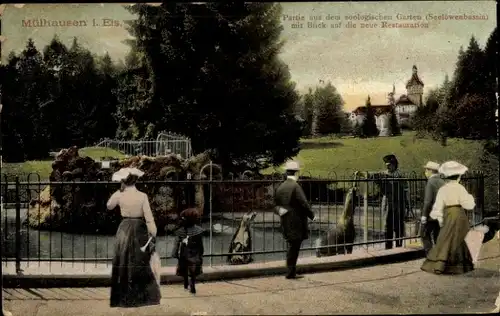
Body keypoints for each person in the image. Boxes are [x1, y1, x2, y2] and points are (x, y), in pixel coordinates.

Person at [107, 169, 161, 308]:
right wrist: (153, 232)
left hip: (124, 227)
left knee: (123, 260)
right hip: (139, 228)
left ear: (123, 181)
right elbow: (149, 217)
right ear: (136, 181)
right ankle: (141, 297)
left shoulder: (120, 194)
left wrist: (119, 191)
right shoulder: (142, 196)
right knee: (140, 260)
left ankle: (123, 297)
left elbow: (109, 206)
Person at [421, 161, 475, 275]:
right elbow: (469, 205)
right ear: (458, 177)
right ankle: (461, 266)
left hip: (448, 213)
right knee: (458, 239)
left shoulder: (443, 189)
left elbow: (438, 206)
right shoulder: (460, 188)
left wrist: (439, 218)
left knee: (445, 238)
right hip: (460, 214)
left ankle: (440, 265)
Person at [274, 161, 315, 279]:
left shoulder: (281, 186)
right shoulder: (296, 186)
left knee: (291, 246)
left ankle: (291, 271)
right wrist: (312, 215)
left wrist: (280, 211)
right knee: (294, 247)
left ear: (286, 173)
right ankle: (290, 272)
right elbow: (304, 203)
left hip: (285, 221)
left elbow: (274, 205)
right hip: (296, 222)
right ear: (296, 173)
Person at [372, 154, 408, 249]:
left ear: (394, 164)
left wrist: (407, 205)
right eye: (386, 164)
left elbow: (405, 189)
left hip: (398, 203)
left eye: (389, 164)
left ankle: (399, 247)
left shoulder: (400, 175)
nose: (387, 166)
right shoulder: (383, 174)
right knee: (387, 225)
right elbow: (376, 181)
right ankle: (388, 248)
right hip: (387, 203)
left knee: (398, 226)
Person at [171, 208, 205, 294]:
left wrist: (174, 253)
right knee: (193, 270)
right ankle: (192, 284)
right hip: (195, 253)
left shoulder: (180, 231)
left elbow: (176, 244)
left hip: (184, 253)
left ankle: (186, 283)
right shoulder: (198, 230)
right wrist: (201, 253)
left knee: (184, 269)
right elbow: (200, 244)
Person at [420, 161, 445, 255]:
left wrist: (424, 216)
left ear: (431, 170)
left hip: (431, 214)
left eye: (426, 169)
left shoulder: (431, 182)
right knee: (437, 236)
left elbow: (428, 201)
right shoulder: (442, 181)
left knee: (424, 234)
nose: (425, 172)